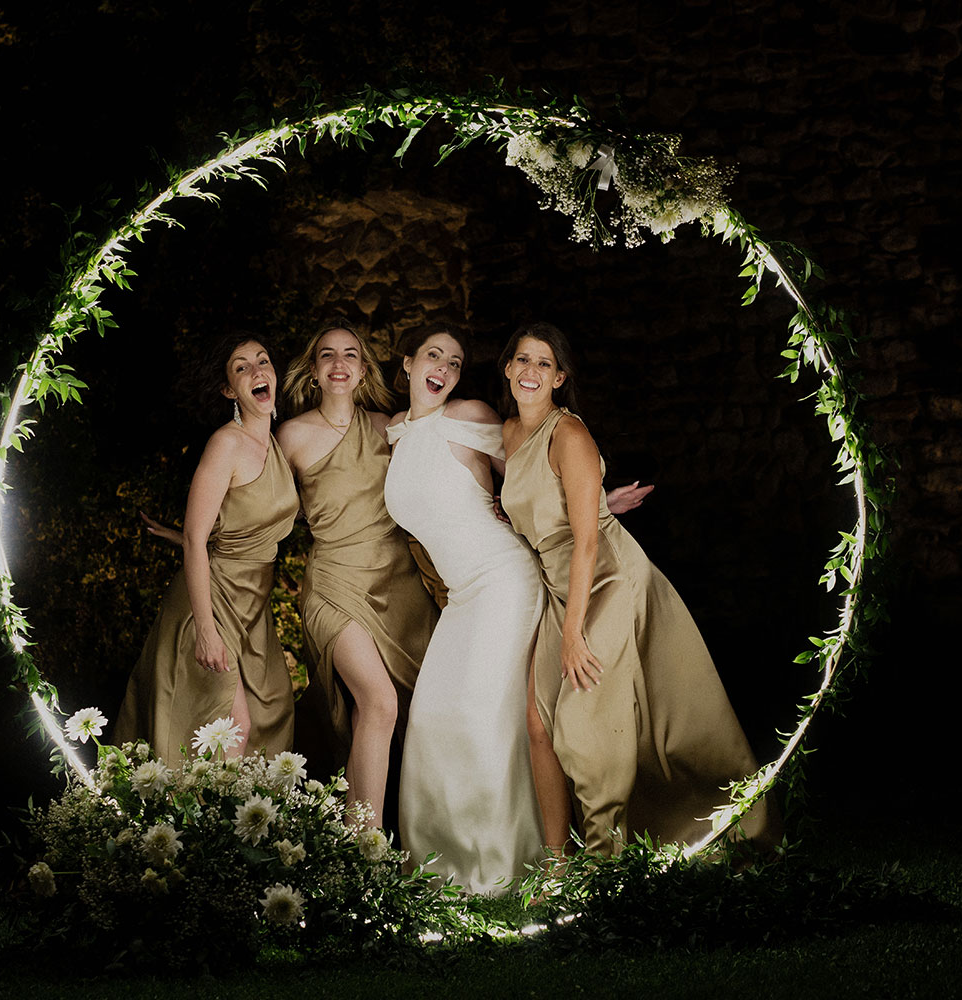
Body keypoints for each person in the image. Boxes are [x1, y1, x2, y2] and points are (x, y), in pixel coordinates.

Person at [498, 321, 780, 858]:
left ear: (559, 378)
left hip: (605, 579)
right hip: (558, 584)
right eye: (523, 360)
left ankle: (603, 859)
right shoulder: (509, 433)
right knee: (538, 719)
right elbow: (540, 502)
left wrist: (574, 633)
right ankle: (559, 862)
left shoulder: (569, 434)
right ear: (508, 368)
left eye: (544, 363)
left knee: (584, 717)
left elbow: (586, 542)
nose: (531, 371)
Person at [382, 326, 547, 894]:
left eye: (454, 362)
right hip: (461, 597)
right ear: (408, 363)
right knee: (431, 718)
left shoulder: (469, 416)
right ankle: (439, 871)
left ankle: (505, 867)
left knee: (483, 717)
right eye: (434, 356)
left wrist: (597, 501)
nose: (445, 368)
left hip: (504, 580)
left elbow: (535, 471)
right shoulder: (395, 432)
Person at [275, 319, 440, 828]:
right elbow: (258, 507)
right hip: (334, 585)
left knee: (423, 711)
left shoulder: (388, 427)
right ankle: (361, 854)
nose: (339, 363)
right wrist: (198, 538)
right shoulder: (291, 435)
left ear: (364, 368)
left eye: (350, 354)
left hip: (399, 584)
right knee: (379, 702)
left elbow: (448, 478)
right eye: (327, 354)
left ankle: (415, 839)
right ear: (313, 370)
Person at [116, 333, 299, 764]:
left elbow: (236, 526)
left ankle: (245, 809)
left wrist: (176, 536)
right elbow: (197, 539)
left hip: (253, 606)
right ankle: (209, 811)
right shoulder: (226, 444)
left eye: (263, 361)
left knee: (271, 716)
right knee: (232, 726)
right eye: (241, 367)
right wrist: (205, 630)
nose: (256, 371)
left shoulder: (276, 444)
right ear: (228, 390)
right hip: (213, 601)